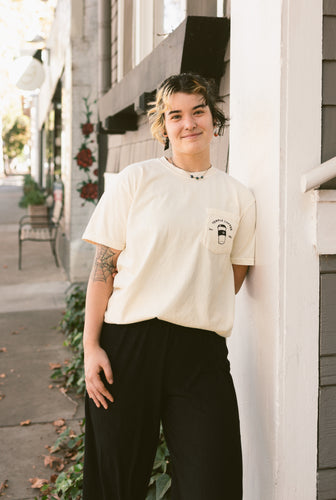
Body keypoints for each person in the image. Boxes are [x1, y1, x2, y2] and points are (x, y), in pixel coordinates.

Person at [81, 73, 256, 500]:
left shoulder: (238, 196)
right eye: (175, 115)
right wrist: (91, 347)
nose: (188, 123)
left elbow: (230, 278)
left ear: (214, 118)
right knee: (116, 484)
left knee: (211, 482)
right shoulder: (136, 181)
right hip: (128, 347)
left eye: (198, 111)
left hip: (200, 354)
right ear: (163, 126)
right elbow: (103, 270)